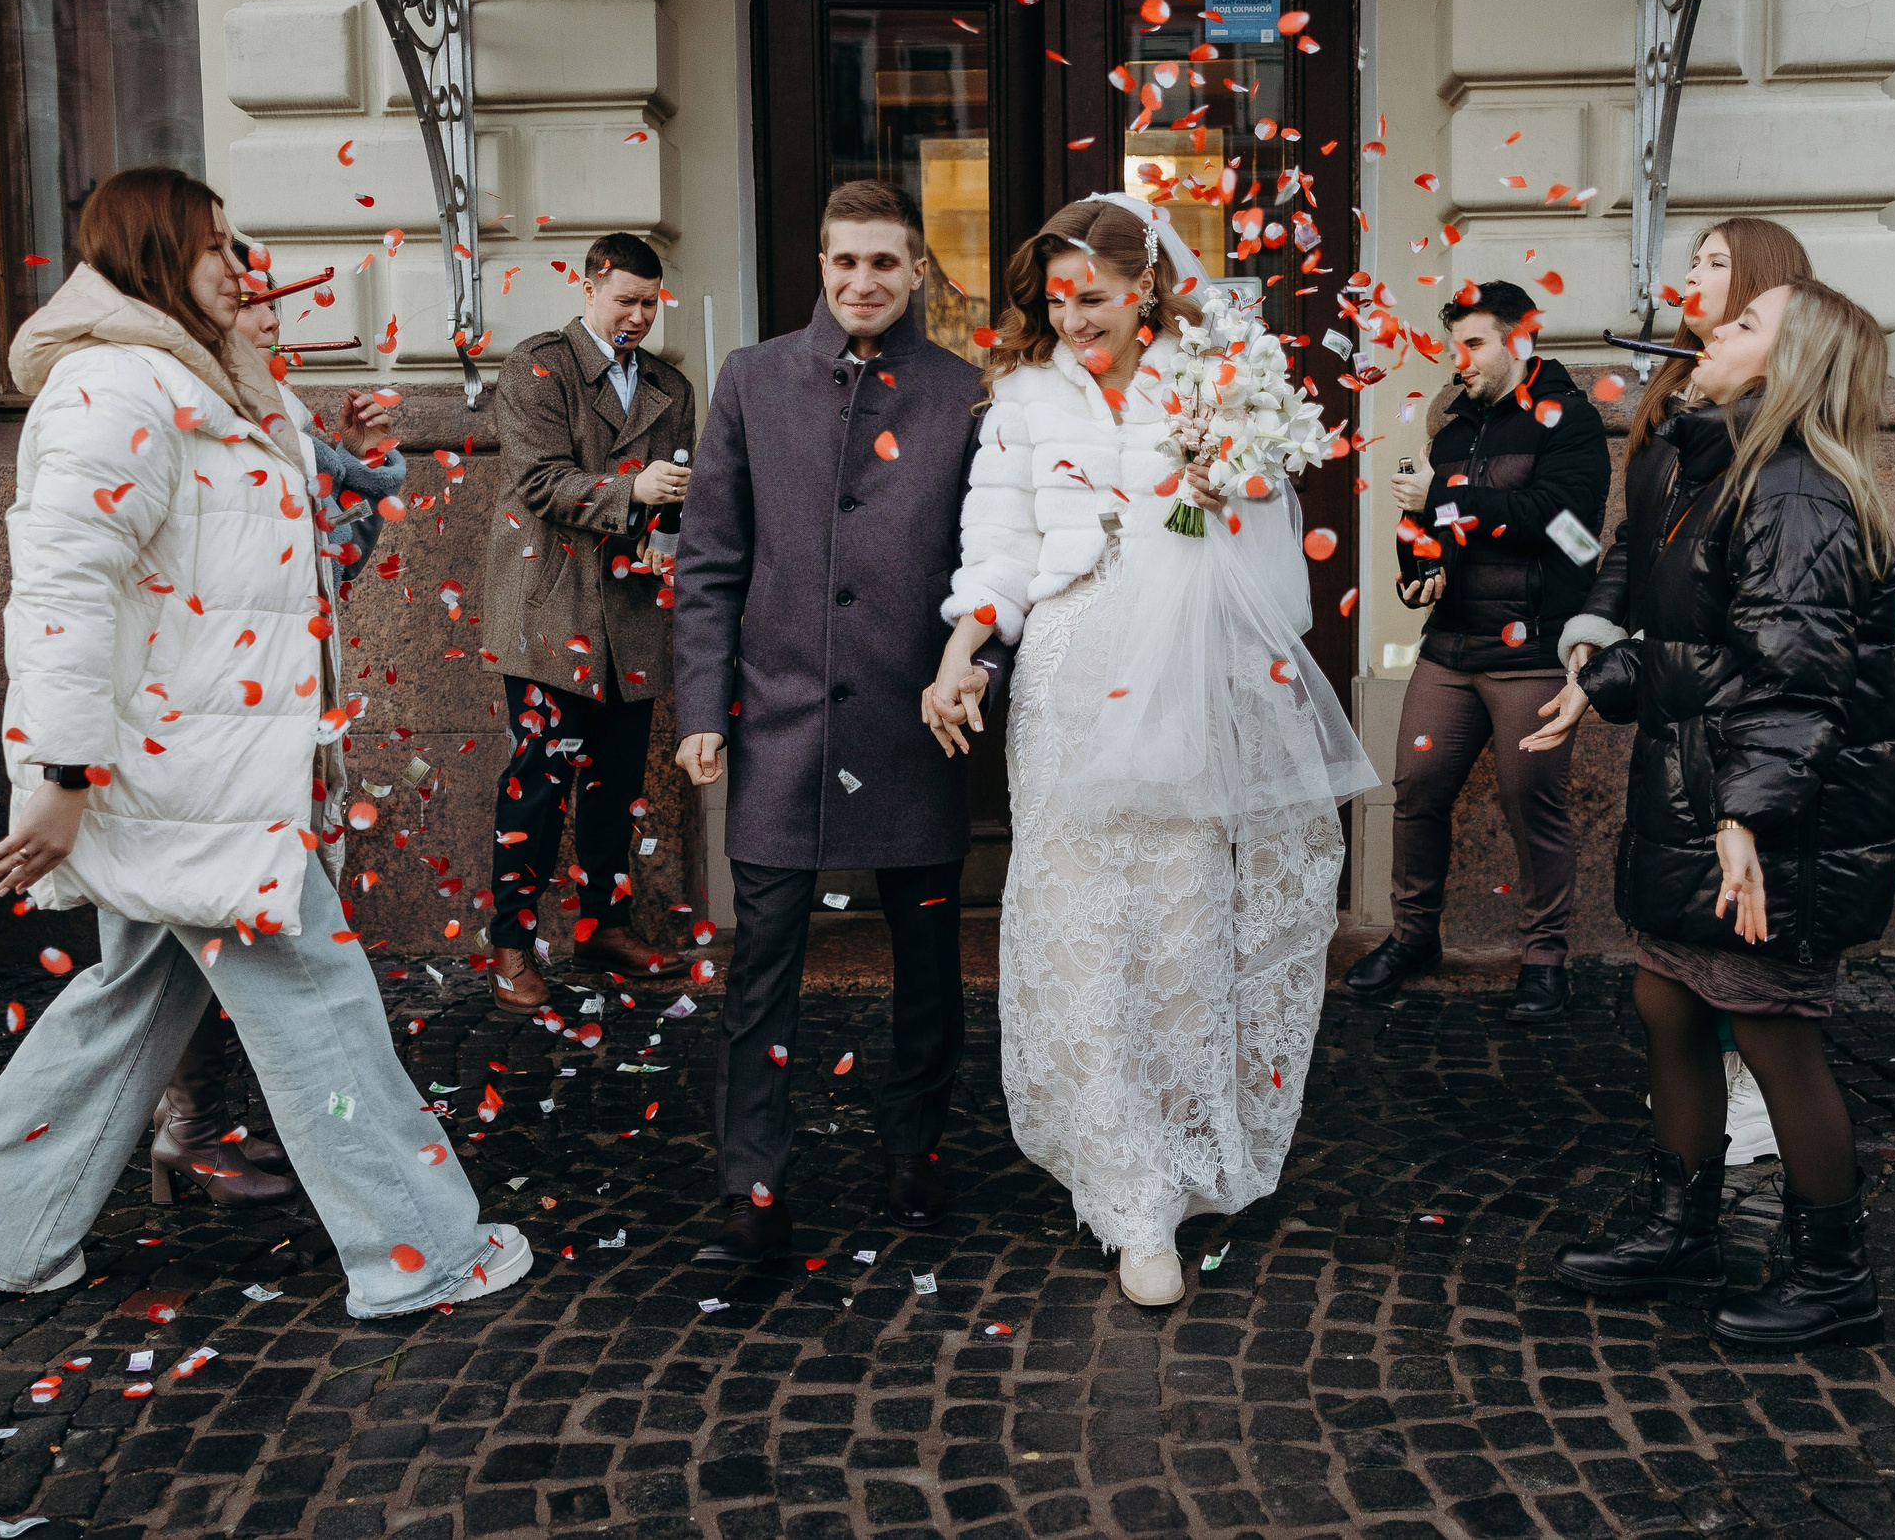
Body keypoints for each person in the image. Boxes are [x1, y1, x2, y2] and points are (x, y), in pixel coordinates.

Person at [0, 166, 525, 1315]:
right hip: (186, 775)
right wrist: (65, 770)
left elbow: (281, 567)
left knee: (127, 1005)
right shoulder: (111, 391)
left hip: (221, 766)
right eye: (217, 245)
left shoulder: (226, 388)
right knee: (322, 1009)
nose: (243, 267)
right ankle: (418, 1251)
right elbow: (63, 592)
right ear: (152, 253)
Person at [928, 195, 1373, 1308]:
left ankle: (1176, 1165)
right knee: (1084, 922)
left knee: (1179, 912)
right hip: (1071, 667)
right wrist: (959, 651)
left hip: (1190, 666)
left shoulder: (1216, 377)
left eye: (1095, 295)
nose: (1073, 315)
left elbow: (1260, 525)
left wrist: (1239, 481)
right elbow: (997, 545)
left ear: (1146, 287)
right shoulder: (1022, 400)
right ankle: (1124, 1187)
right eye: (1055, 298)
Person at [1551, 278, 1895, 1352]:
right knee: (1668, 1000)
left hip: (1776, 802)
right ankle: (1681, 1228)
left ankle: (1833, 1276)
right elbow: (1693, 647)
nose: (1710, 330)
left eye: (1744, 323)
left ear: (1785, 370)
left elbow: (1793, 681)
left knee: (1770, 1028)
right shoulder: (1715, 464)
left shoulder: (1796, 493)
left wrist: (1747, 817)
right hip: (1697, 784)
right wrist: (1601, 681)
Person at [671, 179, 997, 1264]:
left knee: (926, 960)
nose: (863, 281)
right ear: (819, 264)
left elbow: (991, 565)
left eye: (885, 263)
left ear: (916, 274)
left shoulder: (962, 394)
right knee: (760, 964)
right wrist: (701, 704)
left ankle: (916, 1145)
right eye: (844, 261)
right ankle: (750, 1186)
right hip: (778, 722)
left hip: (916, 728)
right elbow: (711, 558)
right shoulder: (752, 380)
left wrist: (976, 668)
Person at [1523, 219, 1817, 1159]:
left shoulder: (1777, 416)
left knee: (1741, 929)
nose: (1692, 276)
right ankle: (1702, 1109)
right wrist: (1594, 641)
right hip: (1668, 674)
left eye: (1716, 263)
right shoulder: (1678, 387)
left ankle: (1754, 1090)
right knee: (1681, 929)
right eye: (1692, 260)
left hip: (1730, 684)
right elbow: (1631, 541)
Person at [135, 246, 412, 1211]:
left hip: (284, 723)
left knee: (205, 956)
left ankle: (201, 1130)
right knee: (196, 957)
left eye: (274, 314)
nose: (268, 328)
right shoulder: (175, 410)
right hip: (210, 732)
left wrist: (357, 459)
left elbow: (332, 559)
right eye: (251, 309)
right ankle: (192, 1131)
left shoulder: (271, 414)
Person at [1339, 280, 1610, 1019]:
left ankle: (1546, 956)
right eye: (1456, 343)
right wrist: (1417, 568)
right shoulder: (1454, 424)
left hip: (1533, 646)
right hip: (1451, 646)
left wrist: (1446, 498)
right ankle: (1413, 936)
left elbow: (1565, 525)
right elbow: (1425, 523)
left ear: (1521, 339)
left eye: (1475, 342)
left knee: (1533, 801)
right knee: (1417, 786)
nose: (1460, 359)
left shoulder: (1570, 421)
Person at [481, 233, 696, 1016]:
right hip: (551, 611)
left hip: (633, 615)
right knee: (538, 787)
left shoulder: (672, 384)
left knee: (616, 788)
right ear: (589, 288)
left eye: (650, 302)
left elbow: (671, 504)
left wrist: (675, 515)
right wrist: (636, 489)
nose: (639, 316)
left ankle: (603, 925)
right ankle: (511, 945)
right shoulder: (539, 365)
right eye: (626, 301)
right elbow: (538, 480)